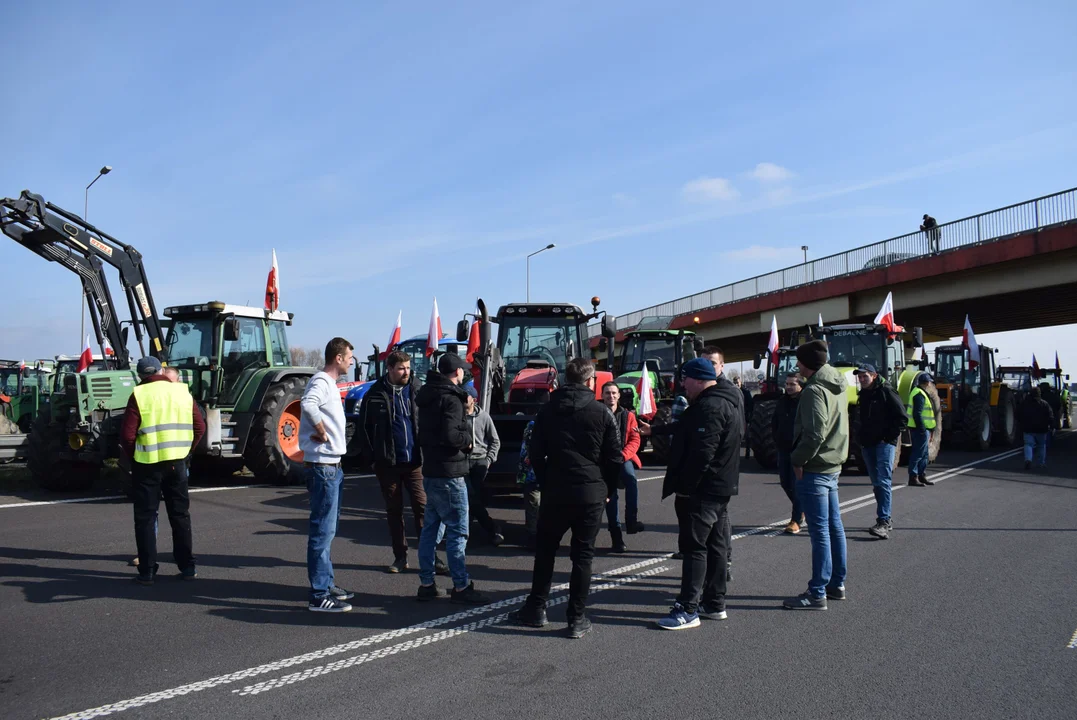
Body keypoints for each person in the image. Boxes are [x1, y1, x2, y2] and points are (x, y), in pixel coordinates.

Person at [510, 358, 622, 639]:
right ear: (590, 381)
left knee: (546, 551)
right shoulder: (602, 412)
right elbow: (614, 458)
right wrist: (607, 489)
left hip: (557, 490)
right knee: (582, 556)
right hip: (590, 492)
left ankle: (536, 608)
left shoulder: (547, 411)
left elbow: (535, 453)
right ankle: (576, 618)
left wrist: (548, 481)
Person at [653, 358, 742, 630]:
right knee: (716, 546)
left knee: (694, 548)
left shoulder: (709, 407)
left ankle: (687, 609)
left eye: (686, 379)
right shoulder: (726, 400)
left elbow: (702, 454)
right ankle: (714, 603)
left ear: (699, 379)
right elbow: (688, 432)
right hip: (719, 488)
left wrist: (686, 488)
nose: (683, 384)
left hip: (703, 491)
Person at [358, 350, 447, 575]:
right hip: (387, 464)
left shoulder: (419, 390)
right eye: (401, 368)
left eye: (408, 367)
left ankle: (430, 556)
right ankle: (400, 557)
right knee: (394, 510)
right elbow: (364, 430)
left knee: (423, 508)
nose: (406, 372)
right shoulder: (375, 394)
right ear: (389, 369)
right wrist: (372, 459)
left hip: (416, 461)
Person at [121, 356, 206, 585]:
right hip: (176, 463)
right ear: (161, 370)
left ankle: (147, 571)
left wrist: (135, 458)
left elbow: (128, 435)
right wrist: (186, 452)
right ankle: (187, 567)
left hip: (147, 464)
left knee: (146, 518)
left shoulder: (138, 395)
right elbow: (200, 427)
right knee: (180, 516)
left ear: (140, 375)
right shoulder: (182, 392)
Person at [415, 352, 489, 604]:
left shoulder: (426, 396)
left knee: (430, 530)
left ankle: (427, 583)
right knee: (458, 532)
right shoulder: (453, 399)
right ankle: (461, 586)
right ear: (457, 372)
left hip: (432, 471)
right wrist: (467, 440)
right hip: (451, 473)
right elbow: (452, 434)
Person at [783, 340, 849, 611]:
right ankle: (836, 584)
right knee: (834, 526)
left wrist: (797, 459)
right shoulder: (837, 384)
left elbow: (815, 433)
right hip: (833, 464)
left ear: (808, 363)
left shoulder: (813, 391)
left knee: (820, 531)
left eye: (799, 361)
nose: (797, 365)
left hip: (816, 467)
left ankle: (817, 592)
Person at [299, 338, 356, 612]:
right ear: (338, 358)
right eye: (349, 357)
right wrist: (321, 432)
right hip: (324, 467)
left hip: (331, 466)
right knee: (322, 531)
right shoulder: (321, 382)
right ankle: (319, 594)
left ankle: (327, 583)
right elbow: (308, 404)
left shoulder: (328, 384)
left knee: (328, 530)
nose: (351, 361)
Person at [855, 364, 907, 540]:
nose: (862, 380)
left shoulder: (886, 391)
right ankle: (885, 519)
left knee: (883, 481)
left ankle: (883, 521)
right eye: (860, 377)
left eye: (865, 376)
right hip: (867, 444)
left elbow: (902, 417)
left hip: (884, 444)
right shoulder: (863, 395)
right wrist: (860, 439)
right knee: (877, 483)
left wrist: (888, 438)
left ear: (874, 376)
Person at [600, 382, 643, 553]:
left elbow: (635, 439)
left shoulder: (628, 416)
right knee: (611, 497)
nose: (611, 396)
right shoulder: (597, 413)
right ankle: (616, 537)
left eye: (613, 393)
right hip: (604, 461)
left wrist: (623, 455)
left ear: (618, 395)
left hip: (623, 457)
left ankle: (631, 520)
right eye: (607, 393)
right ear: (602, 395)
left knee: (631, 479)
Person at [464, 383, 504, 546]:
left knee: (471, 498)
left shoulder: (484, 417)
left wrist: (488, 460)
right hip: (462, 462)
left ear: (473, 399)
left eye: (464, 396)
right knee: (469, 497)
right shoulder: (456, 416)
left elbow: (495, 441)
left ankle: (467, 532)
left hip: (480, 462)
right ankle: (493, 529)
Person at [773, 373, 804, 534]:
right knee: (785, 483)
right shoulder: (782, 401)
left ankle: (796, 519)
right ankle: (802, 508)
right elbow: (775, 422)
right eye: (787, 384)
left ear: (800, 385)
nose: (788, 387)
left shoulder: (805, 401)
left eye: (792, 384)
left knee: (796, 485)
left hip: (799, 450)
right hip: (783, 449)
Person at [906, 373, 937, 487]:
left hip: (923, 429)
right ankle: (913, 477)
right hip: (920, 429)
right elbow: (917, 414)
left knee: (923, 454)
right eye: (929, 382)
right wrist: (923, 429)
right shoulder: (919, 394)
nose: (930, 384)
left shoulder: (920, 392)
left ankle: (921, 475)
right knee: (918, 453)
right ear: (927, 383)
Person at [517, 418, 541, 547]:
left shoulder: (532, 425)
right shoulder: (533, 425)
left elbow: (524, 452)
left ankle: (533, 538)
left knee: (534, 507)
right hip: (539, 474)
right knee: (536, 506)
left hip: (534, 474)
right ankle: (535, 538)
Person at [1017, 386, 1053, 470]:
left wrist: (1021, 423)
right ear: (1039, 394)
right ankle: (1041, 463)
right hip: (1042, 429)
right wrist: (1051, 425)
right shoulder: (1044, 404)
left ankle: (1028, 459)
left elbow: (1018, 414)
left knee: (1028, 444)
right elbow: (1050, 416)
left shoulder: (1024, 403)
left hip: (1028, 428)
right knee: (1041, 445)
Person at [733, 375, 754, 459]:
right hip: (736, 416)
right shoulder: (732, 391)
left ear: (740, 382)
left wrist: (748, 415)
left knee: (747, 435)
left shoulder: (746, 392)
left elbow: (751, 404)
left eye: (737, 382)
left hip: (745, 416)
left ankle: (747, 451)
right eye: (734, 383)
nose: (736, 384)